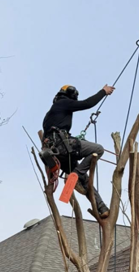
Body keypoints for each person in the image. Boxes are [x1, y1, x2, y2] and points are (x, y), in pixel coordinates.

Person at [40, 84, 115, 217]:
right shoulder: (63, 103)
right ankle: (74, 174)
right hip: (62, 146)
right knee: (98, 149)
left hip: (55, 153)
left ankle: (102, 208)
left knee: (85, 181)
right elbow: (87, 103)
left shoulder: (49, 115)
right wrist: (103, 91)